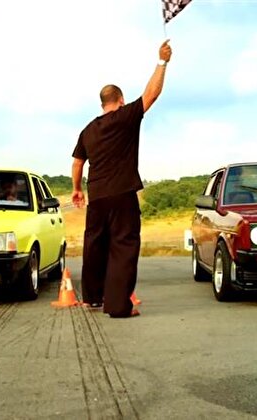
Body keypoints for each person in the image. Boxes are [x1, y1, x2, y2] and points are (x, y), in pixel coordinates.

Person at [71, 40, 172, 318]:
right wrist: (162, 62)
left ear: (102, 103)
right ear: (120, 100)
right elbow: (151, 94)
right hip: (122, 193)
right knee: (123, 247)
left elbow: (78, 161)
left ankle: (92, 298)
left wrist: (77, 189)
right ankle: (117, 306)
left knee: (95, 244)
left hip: (98, 197)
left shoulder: (88, 130)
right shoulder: (126, 117)